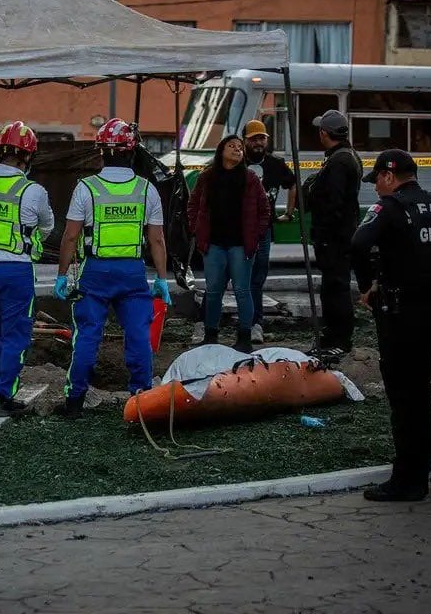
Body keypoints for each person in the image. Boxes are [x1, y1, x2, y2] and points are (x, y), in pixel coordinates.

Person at [352, 150, 431, 501]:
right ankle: (420, 464)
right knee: (419, 386)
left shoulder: (390, 207)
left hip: (401, 310)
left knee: (404, 393)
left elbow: (359, 244)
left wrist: (367, 286)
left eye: (376, 179)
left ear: (390, 176)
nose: (376, 187)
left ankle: (408, 478)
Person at [54, 118, 171, 417]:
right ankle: (142, 397)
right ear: (132, 152)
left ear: (101, 153)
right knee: (137, 335)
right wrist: (161, 279)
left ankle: (74, 401)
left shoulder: (86, 188)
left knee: (88, 335)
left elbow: (70, 235)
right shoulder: (147, 190)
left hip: (95, 272)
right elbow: (156, 239)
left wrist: (61, 275)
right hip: (132, 272)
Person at [0, 121, 54, 416]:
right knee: (15, 333)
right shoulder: (33, 191)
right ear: (27, 156)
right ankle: (5, 396)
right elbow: (47, 225)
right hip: (16, 269)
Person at [186, 134, 271, 353]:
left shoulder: (250, 178)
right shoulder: (207, 177)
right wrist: (196, 228)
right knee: (213, 291)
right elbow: (193, 204)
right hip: (213, 244)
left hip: (241, 245)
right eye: (231, 146)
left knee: (243, 290)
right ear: (221, 151)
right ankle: (210, 335)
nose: (237, 149)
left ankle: (244, 337)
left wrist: (257, 234)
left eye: (240, 147)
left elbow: (264, 209)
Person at [301, 110, 362, 355]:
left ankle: (338, 340)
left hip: (335, 237)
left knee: (335, 288)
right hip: (340, 234)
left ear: (325, 133)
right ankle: (334, 337)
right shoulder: (346, 156)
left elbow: (333, 202)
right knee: (333, 287)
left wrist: (313, 193)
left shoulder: (339, 161)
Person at [242, 120, 297, 344]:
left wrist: (289, 213)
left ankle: (256, 324)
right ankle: (208, 325)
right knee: (229, 276)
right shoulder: (235, 162)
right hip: (237, 231)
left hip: (263, 230)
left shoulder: (276, 164)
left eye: (261, 138)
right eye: (253, 138)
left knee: (258, 277)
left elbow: (292, 184)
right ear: (244, 140)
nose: (257, 142)